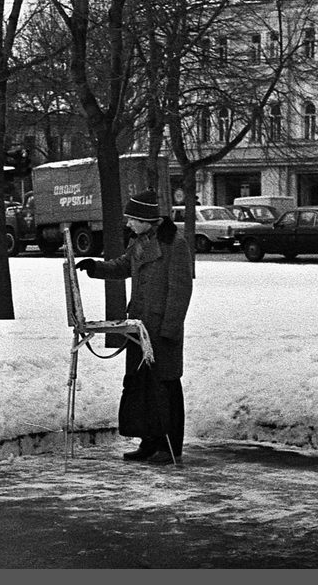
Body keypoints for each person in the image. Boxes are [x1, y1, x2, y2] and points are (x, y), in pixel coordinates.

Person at [75, 189, 193, 464]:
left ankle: (170, 447)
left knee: (166, 387)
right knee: (142, 387)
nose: (128, 223)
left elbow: (180, 291)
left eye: (132, 219)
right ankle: (149, 443)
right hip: (140, 327)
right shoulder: (140, 241)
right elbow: (122, 266)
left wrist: (170, 329)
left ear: (146, 219)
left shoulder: (174, 244)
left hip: (162, 329)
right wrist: (95, 267)